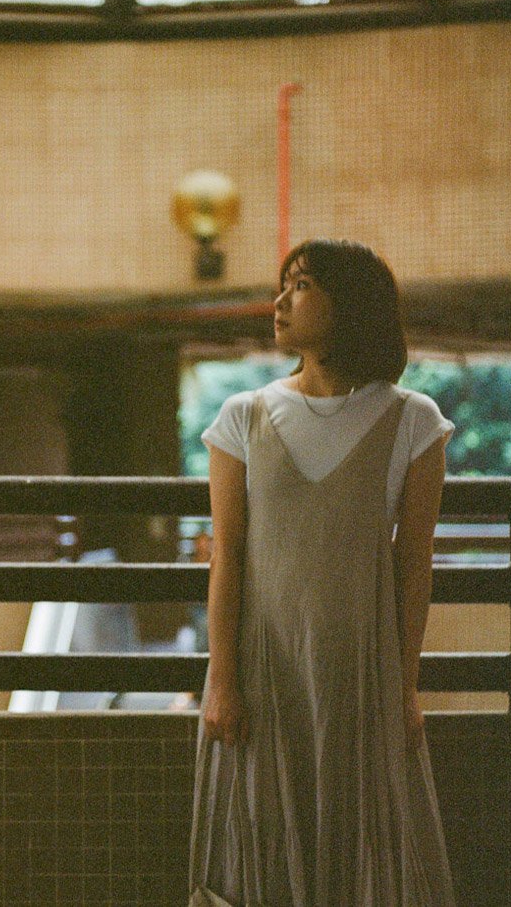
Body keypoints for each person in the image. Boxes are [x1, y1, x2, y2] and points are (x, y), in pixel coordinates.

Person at [189, 238, 458, 906]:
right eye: (283, 284)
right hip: (263, 668)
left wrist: (404, 685)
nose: (280, 300)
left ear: (352, 305)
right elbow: (228, 557)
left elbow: (414, 564)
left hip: (359, 673)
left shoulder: (412, 420)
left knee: (368, 849)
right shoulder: (242, 417)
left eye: (302, 284)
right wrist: (221, 682)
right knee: (259, 850)